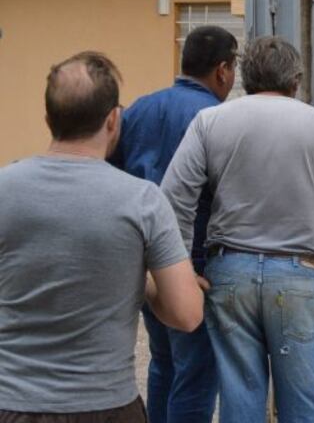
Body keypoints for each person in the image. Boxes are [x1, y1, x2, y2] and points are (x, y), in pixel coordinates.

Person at [161, 36, 314, 423]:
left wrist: (184, 268)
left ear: (244, 76)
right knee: (305, 404)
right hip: (301, 273)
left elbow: (174, 198)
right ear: (297, 80)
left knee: (240, 400)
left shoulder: (210, 121)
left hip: (230, 272)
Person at [0, 52, 203, 423]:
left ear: (48, 119)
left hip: (12, 402)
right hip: (106, 406)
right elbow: (186, 314)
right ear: (113, 120)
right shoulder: (142, 200)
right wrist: (139, 281)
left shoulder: (3, 188)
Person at [110, 25, 238, 423]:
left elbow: (113, 177)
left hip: (144, 256)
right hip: (193, 259)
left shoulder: (139, 109)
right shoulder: (216, 119)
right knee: (198, 372)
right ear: (222, 70)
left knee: (163, 362)